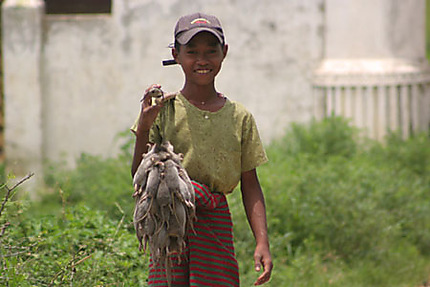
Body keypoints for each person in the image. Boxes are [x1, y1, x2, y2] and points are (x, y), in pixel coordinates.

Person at [131, 12, 273, 286]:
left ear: (224, 53)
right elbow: (139, 176)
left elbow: (250, 184)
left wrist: (262, 242)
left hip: (214, 223)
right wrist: (145, 129)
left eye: (211, 51)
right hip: (170, 223)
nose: (202, 60)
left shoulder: (239, 117)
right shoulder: (163, 111)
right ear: (176, 54)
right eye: (192, 51)